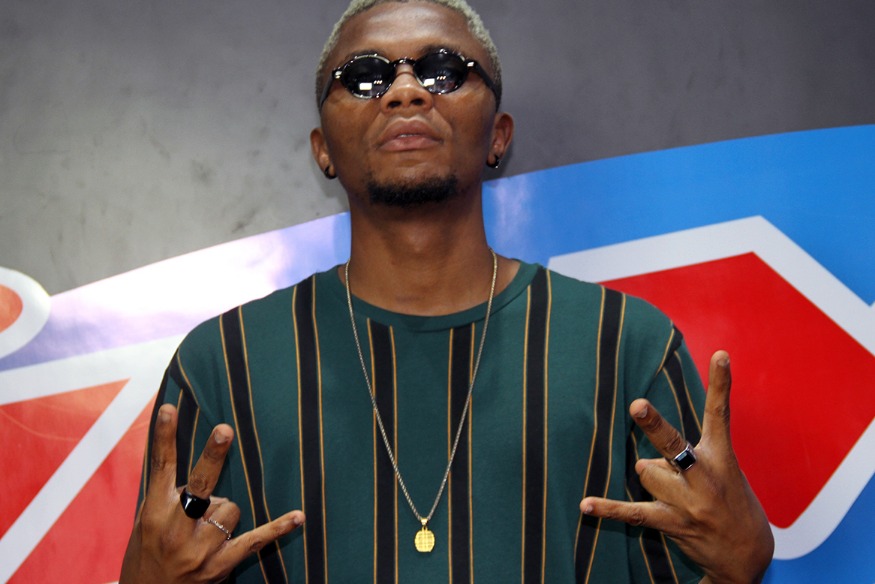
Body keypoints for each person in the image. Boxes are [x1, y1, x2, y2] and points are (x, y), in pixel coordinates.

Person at [120, 0, 774, 582]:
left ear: (498, 135)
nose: (404, 91)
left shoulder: (624, 345)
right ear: (322, 151)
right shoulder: (224, 361)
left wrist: (737, 562)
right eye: (365, 76)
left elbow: (716, 562)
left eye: (442, 71)